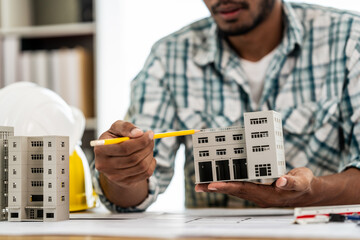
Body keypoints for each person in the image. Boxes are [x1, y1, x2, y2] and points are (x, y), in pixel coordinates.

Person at [91, 0, 360, 212]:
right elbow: (138, 187)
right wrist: (122, 173)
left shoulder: (349, 38)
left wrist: (312, 191)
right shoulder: (168, 56)